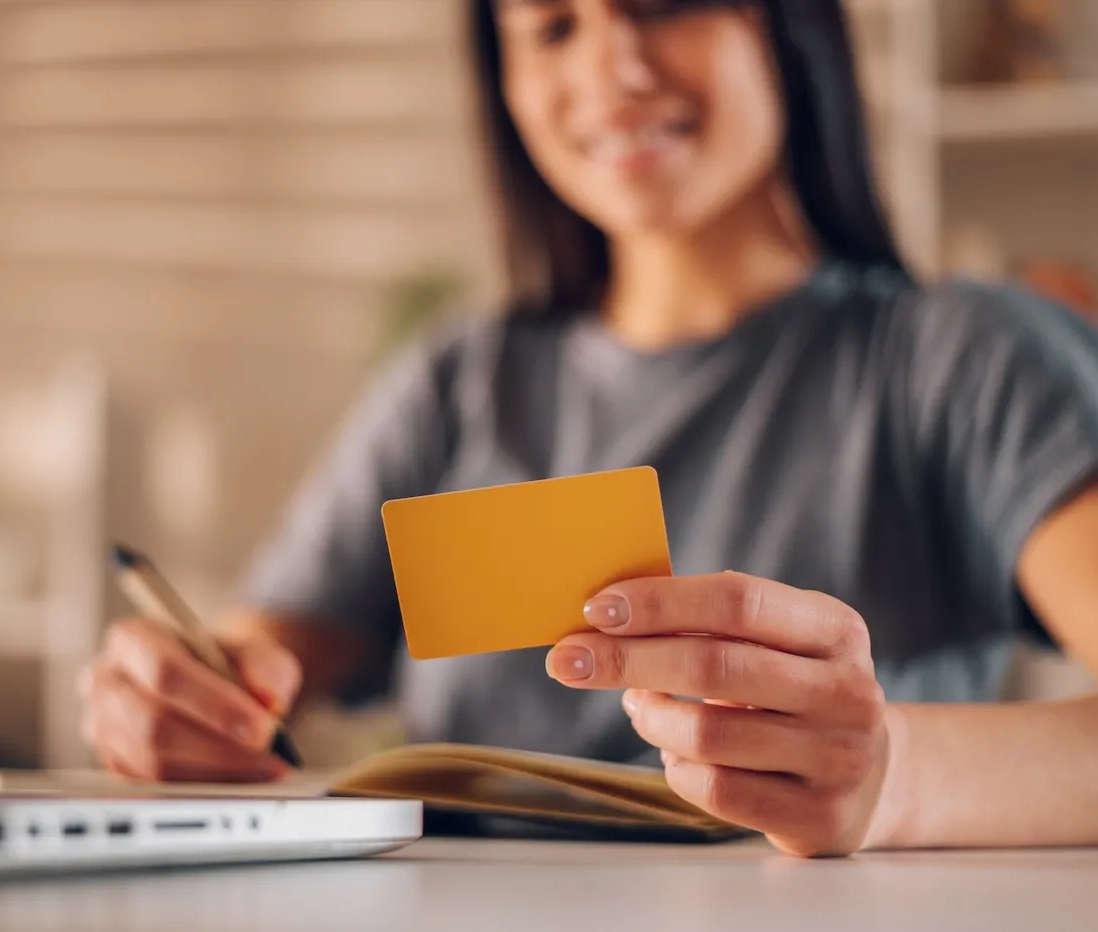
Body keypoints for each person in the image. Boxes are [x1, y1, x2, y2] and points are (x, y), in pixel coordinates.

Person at [77, 0, 1098, 857]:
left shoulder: (960, 355)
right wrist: (183, 696)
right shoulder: (456, 378)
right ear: (506, 85)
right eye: (553, 26)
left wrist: (890, 776)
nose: (612, 67)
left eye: (662, 2)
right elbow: (265, 654)